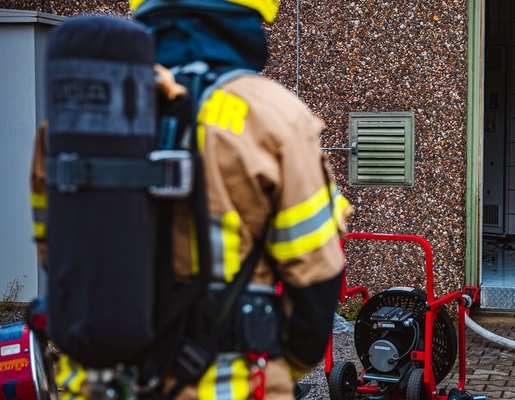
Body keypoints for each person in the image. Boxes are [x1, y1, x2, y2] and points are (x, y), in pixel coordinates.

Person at [30, 1, 352, 399]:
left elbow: (55, 254)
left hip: (98, 387)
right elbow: (316, 284)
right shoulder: (274, 116)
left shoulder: (77, 121)